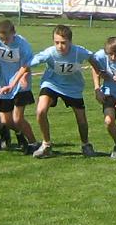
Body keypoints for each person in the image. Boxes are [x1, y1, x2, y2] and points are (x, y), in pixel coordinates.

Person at [28, 25, 94, 159]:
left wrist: (102, 74)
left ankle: (86, 144)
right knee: (40, 111)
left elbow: (94, 59)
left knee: (81, 118)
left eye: (63, 43)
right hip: (51, 84)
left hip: (73, 88)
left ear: (70, 41)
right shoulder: (50, 53)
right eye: (56, 42)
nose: (60, 46)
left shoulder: (79, 52)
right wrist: (22, 70)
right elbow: (30, 63)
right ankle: (46, 145)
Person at [0, 19, 38, 154]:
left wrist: (22, 78)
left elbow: (26, 65)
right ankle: (19, 134)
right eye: (1, 38)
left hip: (21, 85)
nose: (4, 42)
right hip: (4, 85)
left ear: (13, 33)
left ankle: (33, 143)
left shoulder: (22, 44)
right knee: (5, 120)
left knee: (17, 118)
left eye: (7, 38)